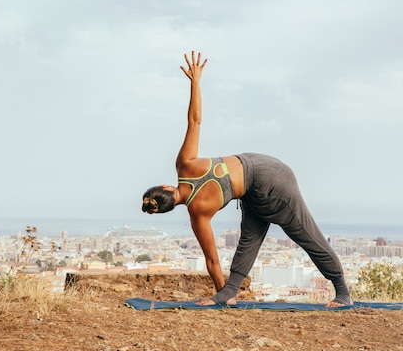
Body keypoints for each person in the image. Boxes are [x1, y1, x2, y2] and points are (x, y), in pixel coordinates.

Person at [141, 51, 352, 307]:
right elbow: (194, 121)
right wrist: (195, 81)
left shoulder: (198, 215)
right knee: (249, 240)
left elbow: (212, 261)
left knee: (303, 232)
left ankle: (342, 293)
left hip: (270, 181)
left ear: (167, 209)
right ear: (165, 186)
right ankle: (229, 294)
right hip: (262, 178)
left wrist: (217, 293)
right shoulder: (185, 165)